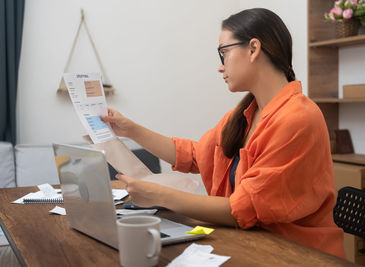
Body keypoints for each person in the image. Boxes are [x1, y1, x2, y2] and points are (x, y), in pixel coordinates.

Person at [101, 8, 345, 258]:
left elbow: (243, 209)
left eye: (223, 53)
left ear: (253, 49)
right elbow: (194, 155)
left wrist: (160, 195)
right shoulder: (243, 116)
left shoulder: (298, 118)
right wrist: (129, 129)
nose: (220, 67)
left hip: (296, 255)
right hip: (251, 245)